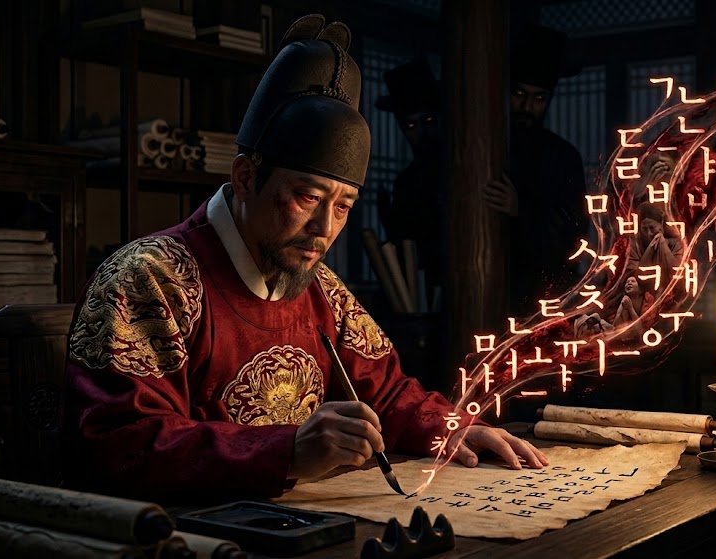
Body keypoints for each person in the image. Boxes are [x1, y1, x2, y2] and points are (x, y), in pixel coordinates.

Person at [62, 15, 547, 502]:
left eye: (342, 207)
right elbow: (121, 444)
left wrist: (451, 426)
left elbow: (389, 392)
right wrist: (287, 451)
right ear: (247, 177)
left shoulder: (319, 288)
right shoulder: (149, 280)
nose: (325, 229)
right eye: (307, 197)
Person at [482, 24, 588, 316]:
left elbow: (574, 234)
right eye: (518, 94)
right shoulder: (484, 150)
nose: (527, 106)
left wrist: (520, 210)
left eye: (539, 98)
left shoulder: (563, 156)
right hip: (486, 292)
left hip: (543, 298)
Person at [376, 55, 445, 284]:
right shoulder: (405, 183)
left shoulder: (462, 173)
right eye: (411, 125)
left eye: (428, 120)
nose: (422, 132)